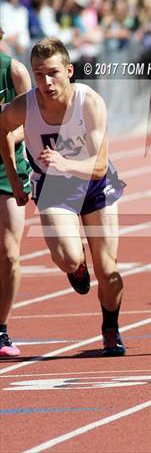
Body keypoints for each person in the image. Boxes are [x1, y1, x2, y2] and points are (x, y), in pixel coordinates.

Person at [0, 37, 126, 356]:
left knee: (108, 270)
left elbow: (98, 166)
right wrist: (15, 180)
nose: (46, 82)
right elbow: (1, 129)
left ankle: (110, 328)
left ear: (69, 70)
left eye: (53, 73)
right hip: (55, 188)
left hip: (95, 185)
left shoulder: (89, 102)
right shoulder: (24, 105)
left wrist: (64, 162)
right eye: (38, 74)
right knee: (68, 259)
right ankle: (78, 265)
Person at [0, 26, 32, 357]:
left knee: (9, 254)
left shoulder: (13, 71)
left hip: (6, 171)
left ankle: (1, 330)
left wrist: (4, 136)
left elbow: (31, 120)